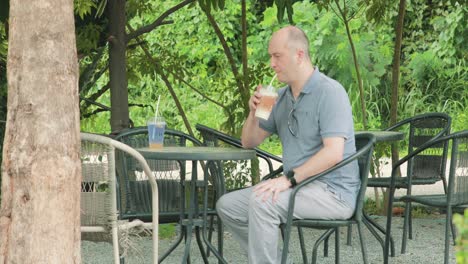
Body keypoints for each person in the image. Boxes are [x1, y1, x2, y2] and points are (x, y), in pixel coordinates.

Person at [216, 25, 359, 263]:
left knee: (263, 204)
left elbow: (334, 153)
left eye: (277, 56)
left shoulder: (330, 92)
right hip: (298, 188)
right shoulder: (278, 97)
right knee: (228, 206)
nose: (272, 63)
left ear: (299, 55)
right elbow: (248, 142)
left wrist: (287, 179)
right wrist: (253, 113)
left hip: (333, 192)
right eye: (271, 56)